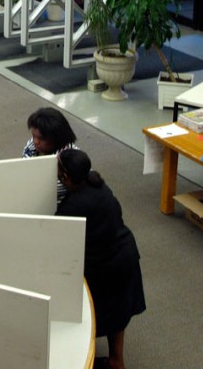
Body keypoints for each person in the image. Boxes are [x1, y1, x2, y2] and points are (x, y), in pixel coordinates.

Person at [56, 148, 145, 369]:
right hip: (124, 256)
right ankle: (117, 360)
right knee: (119, 314)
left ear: (66, 177)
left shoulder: (72, 207)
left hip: (104, 267)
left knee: (95, 315)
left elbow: (56, 235)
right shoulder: (99, 186)